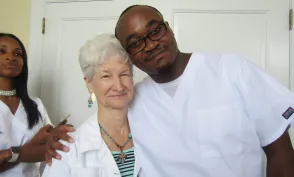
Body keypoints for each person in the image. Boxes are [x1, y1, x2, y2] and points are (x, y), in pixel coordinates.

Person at [45, 5, 294, 177]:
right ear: (130, 55)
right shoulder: (135, 101)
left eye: (155, 31)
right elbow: (104, 123)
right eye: (135, 43)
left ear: (169, 28)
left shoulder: (232, 70)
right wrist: (53, 140)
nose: (151, 44)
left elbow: (280, 150)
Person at [42, 33, 141, 177]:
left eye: (124, 74)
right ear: (89, 83)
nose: (119, 86)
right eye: (106, 76)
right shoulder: (68, 146)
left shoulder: (151, 130)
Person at [0, 33, 52, 177]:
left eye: (18, 54)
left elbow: (49, 150)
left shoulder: (36, 105)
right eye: (1, 51)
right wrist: (27, 151)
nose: (11, 57)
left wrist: (10, 155)